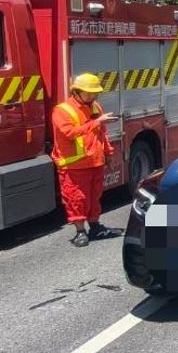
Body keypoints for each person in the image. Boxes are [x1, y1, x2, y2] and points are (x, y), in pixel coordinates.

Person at [52, 73, 116, 247]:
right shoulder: (62, 110)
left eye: (94, 93)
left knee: (94, 197)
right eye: (88, 93)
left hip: (95, 162)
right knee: (76, 198)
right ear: (76, 91)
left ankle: (95, 227)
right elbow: (69, 133)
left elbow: (103, 134)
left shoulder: (96, 108)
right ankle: (80, 232)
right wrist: (96, 123)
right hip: (74, 165)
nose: (92, 96)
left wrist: (108, 154)